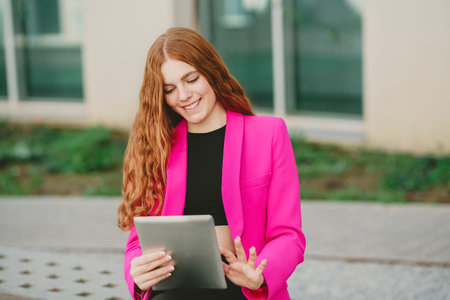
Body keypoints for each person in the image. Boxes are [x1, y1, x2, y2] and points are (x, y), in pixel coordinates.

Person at [117, 27, 306, 300]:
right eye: (169, 89)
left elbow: (289, 235)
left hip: (246, 288)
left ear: (211, 72)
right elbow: (138, 240)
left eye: (191, 79)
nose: (183, 96)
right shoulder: (156, 147)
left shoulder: (269, 134)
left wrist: (261, 275)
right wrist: (136, 274)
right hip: (175, 288)